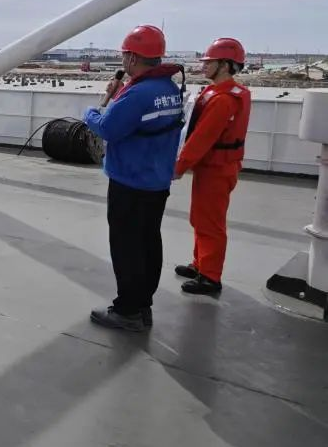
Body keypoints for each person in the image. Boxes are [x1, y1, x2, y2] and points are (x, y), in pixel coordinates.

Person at [83, 25, 184, 331]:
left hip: (130, 181)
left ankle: (127, 311)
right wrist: (120, 94)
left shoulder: (138, 94)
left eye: (125, 55)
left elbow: (108, 128)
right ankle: (142, 304)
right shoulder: (169, 90)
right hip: (157, 181)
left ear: (132, 58)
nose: (123, 60)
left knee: (126, 246)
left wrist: (91, 113)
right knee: (149, 243)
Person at [174, 38, 251, 296]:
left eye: (210, 62)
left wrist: (179, 167)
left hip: (217, 169)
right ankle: (200, 264)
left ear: (226, 65)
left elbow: (201, 138)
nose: (204, 65)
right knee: (201, 217)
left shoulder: (222, 100)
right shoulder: (217, 93)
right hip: (212, 167)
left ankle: (210, 277)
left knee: (210, 222)